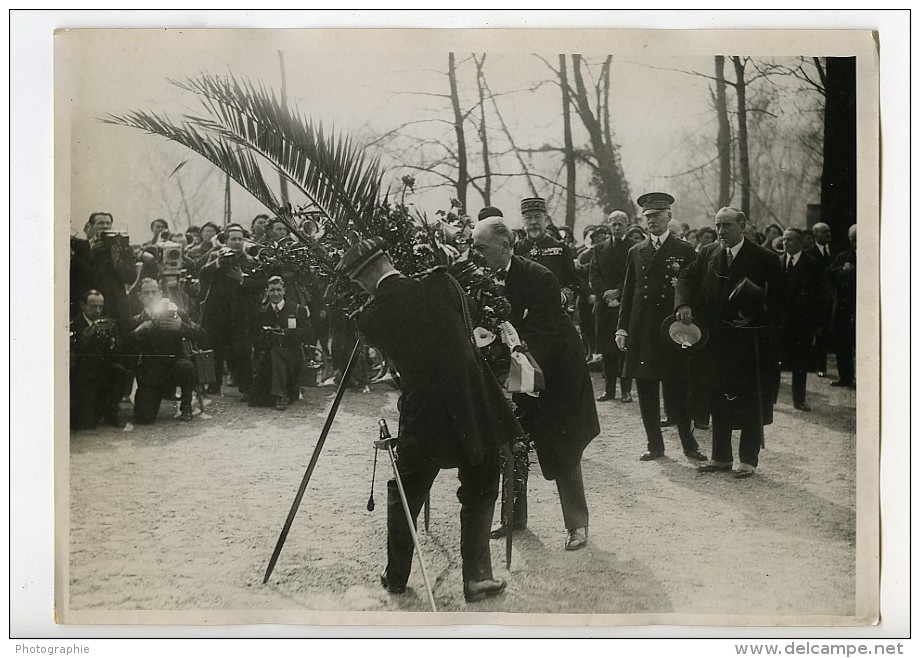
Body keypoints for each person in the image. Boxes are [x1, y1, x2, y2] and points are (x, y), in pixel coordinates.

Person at [341, 238, 520, 602]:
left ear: (360, 282)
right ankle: (478, 578)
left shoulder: (369, 318)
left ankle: (395, 576)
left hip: (425, 412)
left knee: (407, 489)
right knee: (482, 482)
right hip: (472, 401)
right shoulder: (441, 281)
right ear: (390, 257)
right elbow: (469, 313)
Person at [472, 217, 599, 551]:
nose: (476, 253)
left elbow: (542, 331)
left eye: (481, 247)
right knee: (512, 440)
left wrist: (506, 362)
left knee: (562, 444)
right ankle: (514, 518)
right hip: (516, 365)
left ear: (505, 244)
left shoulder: (539, 276)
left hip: (555, 370)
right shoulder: (481, 278)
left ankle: (577, 524)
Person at [675, 207, 785, 479]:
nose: (721, 232)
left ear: (743, 225)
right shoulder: (709, 252)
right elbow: (686, 277)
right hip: (715, 344)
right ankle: (721, 457)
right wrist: (684, 303)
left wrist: (755, 319)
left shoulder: (765, 258)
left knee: (750, 401)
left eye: (727, 226)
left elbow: (782, 302)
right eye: (717, 226)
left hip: (749, 345)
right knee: (718, 400)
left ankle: (748, 460)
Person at [615, 193, 706, 462]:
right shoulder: (637, 251)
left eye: (657, 215)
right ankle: (655, 445)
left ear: (669, 216)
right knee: (645, 388)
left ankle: (690, 445)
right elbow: (628, 294)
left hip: (673, 330)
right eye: (648, 216)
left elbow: (695, 291)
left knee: (679, 388)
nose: (652, 220)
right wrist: (622, 328)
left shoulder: (685, 250)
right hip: (642, 328)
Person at [126, 278, 206, 423]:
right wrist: (138, 332)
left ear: (160, 293)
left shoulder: (176, 313)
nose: (150, 296)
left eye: (154, 292)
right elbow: (125, 346)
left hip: (176, 365)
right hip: (151, 371)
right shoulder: (137, 320)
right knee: (144, 418)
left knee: (186, 367)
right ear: (140, 297)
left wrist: (182, 327)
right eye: (146, 293)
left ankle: (186, 404)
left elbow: (202, 335)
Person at [198, 224, 264, 398]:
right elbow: (202, 273)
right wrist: (217, 263)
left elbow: (259, 286)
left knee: (241, 351)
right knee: (216, 349)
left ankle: (246, 387)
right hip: (217, 313)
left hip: (240, 314)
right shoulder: (215, 256)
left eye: (239, 239)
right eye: (232, 239)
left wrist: (242, 279)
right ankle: (214, 385)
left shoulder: (250, 261)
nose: (236, 242)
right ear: (225, 241)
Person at [776, 228, 825, 411]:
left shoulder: (813, 265)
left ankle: (799, 399)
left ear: (799, 242)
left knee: (800, 362)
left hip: (802, 323)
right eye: (784, 240)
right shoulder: (777, 261)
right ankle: (771, 399)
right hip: (780, 322)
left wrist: (817, 323)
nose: (785, 243)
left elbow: (820, 296)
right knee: (775, 362)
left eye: (789, 240)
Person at [590, 211, 634, 403]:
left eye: (620, 224)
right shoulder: (599, 248)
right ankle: (609, 390)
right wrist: (606, 295)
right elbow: (594, 275)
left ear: (627, 225)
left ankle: (626, 390)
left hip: (626, 303)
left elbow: (634, 276)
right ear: (608, 225)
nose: (616, 228)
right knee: (607, 349)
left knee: (625, 348)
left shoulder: (634, 247)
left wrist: (618, 292)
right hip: (605, 304)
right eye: (613, 224)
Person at [250, 276, 313, 410]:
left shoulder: (297, 309)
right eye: (272, 290)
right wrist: (267, 336)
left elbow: (308, 334)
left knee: (277, 352)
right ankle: (280, 393)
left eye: (279, 290)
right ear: (267, 292)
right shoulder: (261, 312)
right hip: (267, 358)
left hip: (293, 356)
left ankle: (280, 395)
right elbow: (254, 338)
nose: (276, 294)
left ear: (285, 291)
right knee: (274, 353)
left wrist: (287, 334)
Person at [70, 290, 127, 429]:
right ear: (83, 306)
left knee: (120, 371)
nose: (97, 310)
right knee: (86, 424)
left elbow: (118, 352)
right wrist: (86, 337)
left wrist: (113, 341)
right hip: (82, 374)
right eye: (93, 306)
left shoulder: (109, 323)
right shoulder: (73, 324)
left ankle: (112, 412)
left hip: (102, 370)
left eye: (100, 307)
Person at [513, 197, 584, 307]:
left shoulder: (560, 248)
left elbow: (573, 281)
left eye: (538, 217)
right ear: (523, 221)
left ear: (545, 220)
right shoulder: (516, 249)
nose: (533, 222)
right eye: (528, 218)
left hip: (553, 309)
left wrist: (564, 296)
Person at [86, 212, 137, 331]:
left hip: (118, 306)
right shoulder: (86, 248)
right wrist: (91, 253)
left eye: (108, 223)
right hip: (94, 305)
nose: (105, 226)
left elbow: (131, 277)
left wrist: (117, 261)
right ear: (91, 226)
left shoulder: (125, 248)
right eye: (100, 223)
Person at [804, 222, 835, 377]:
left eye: (829, 231)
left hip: (831, 298)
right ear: (815, 234)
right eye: (824, 232)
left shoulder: (834, 252)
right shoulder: (809, 253)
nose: (828, 234)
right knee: (817, 332)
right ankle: (818, 366)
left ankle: (822, 365)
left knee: (827, 331)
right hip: (816, 299)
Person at [828, 224, 857, 388]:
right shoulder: (843, 256)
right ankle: (845, 377)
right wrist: (842, 270)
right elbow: (830, 274)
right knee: (843, 343)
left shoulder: (873, 254)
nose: (856, 244)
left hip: (864, 304)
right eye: (853, 240)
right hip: (844, 306)